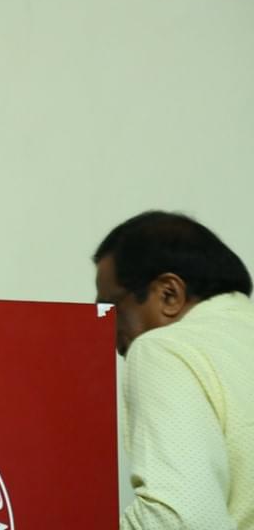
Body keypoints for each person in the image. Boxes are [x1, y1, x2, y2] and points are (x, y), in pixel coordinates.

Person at [93, 210, 254, 529]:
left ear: (169, 294)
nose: (107, 332)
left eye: (109, 309)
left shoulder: (163, 348)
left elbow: (181, 519)